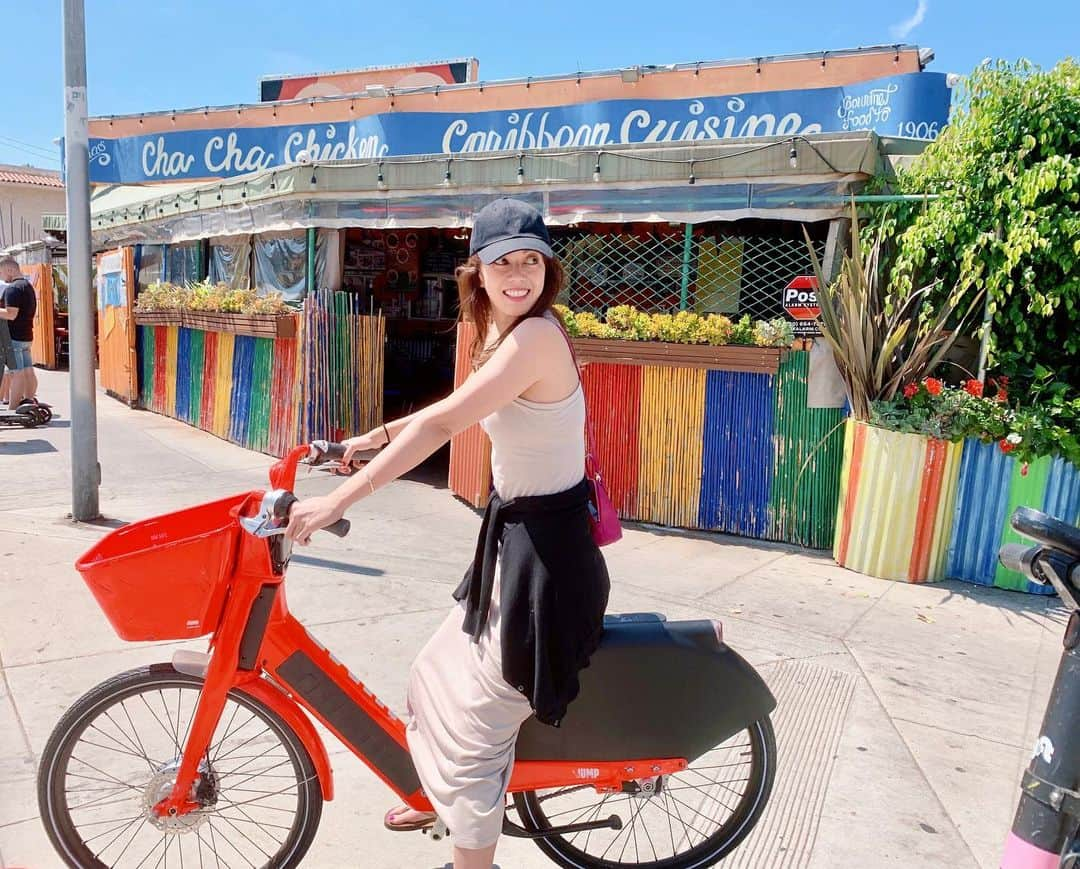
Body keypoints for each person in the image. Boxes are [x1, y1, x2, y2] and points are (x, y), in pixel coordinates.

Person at [285, 198, 610, 869]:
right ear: (479, 271)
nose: (517, 273)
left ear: (546, 268)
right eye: (502, 261)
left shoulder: (535, 337)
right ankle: (438, 794)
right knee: (434, 669)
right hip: (518, 546)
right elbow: (451, 409)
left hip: (550, 569)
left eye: (530, 260)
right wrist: (363, 440)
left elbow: (442, 428)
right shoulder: (500, 331)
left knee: (477, 728)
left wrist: (334, 501)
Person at [0, 256, 38, 407]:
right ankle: (29, 400)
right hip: (26, 335)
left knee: (17, 373)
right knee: (28, 370)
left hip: (14, 337)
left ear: (9, 270)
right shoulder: (27, 287)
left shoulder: (13, 289)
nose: (2, 277)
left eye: (1, 273)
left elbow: (11, 314)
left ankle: (14, 407)